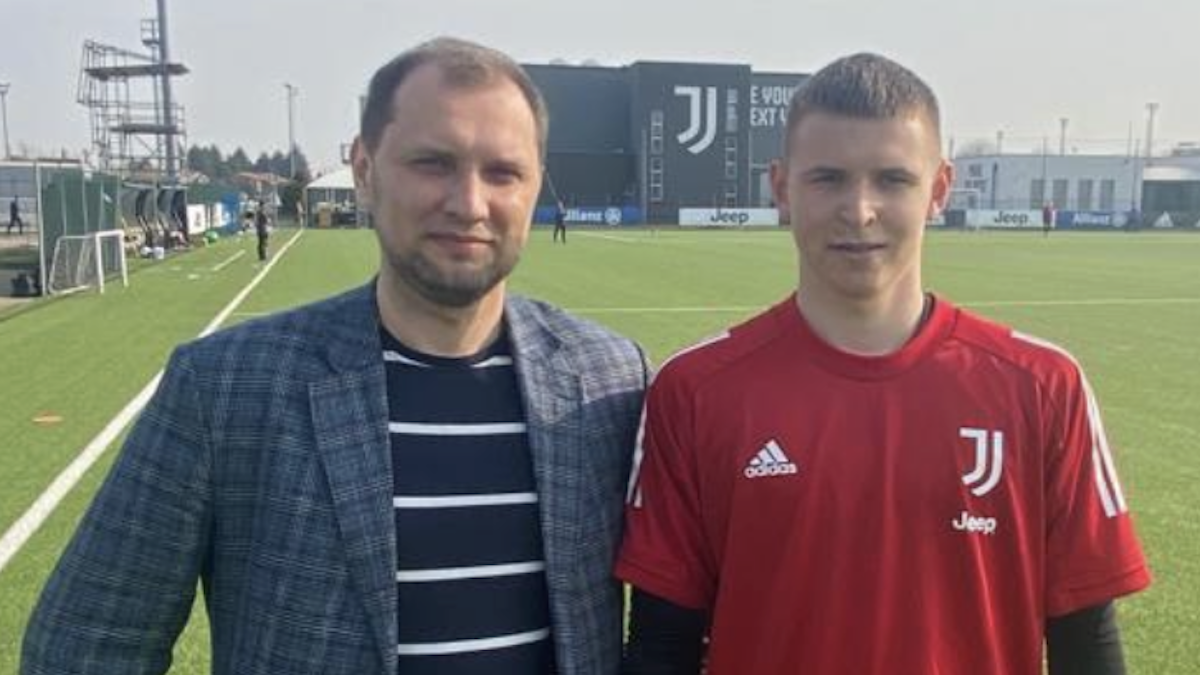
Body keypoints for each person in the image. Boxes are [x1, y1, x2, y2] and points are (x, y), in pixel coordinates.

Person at [23, 37, 649, 675]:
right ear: (364, 168)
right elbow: (84, 647)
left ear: (537, 182)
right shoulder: (223, 388)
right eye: (432, 163)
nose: (468, 203)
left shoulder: (611, 380)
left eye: (503, 172)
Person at [617, 53, 1150, 675]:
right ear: (781, 187)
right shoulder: (695, 390)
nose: (859, 209)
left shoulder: (1044, 385)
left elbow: (1088, 642)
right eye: (828, 178)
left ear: (939, 190)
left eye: (893, 179)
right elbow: (662, 645)